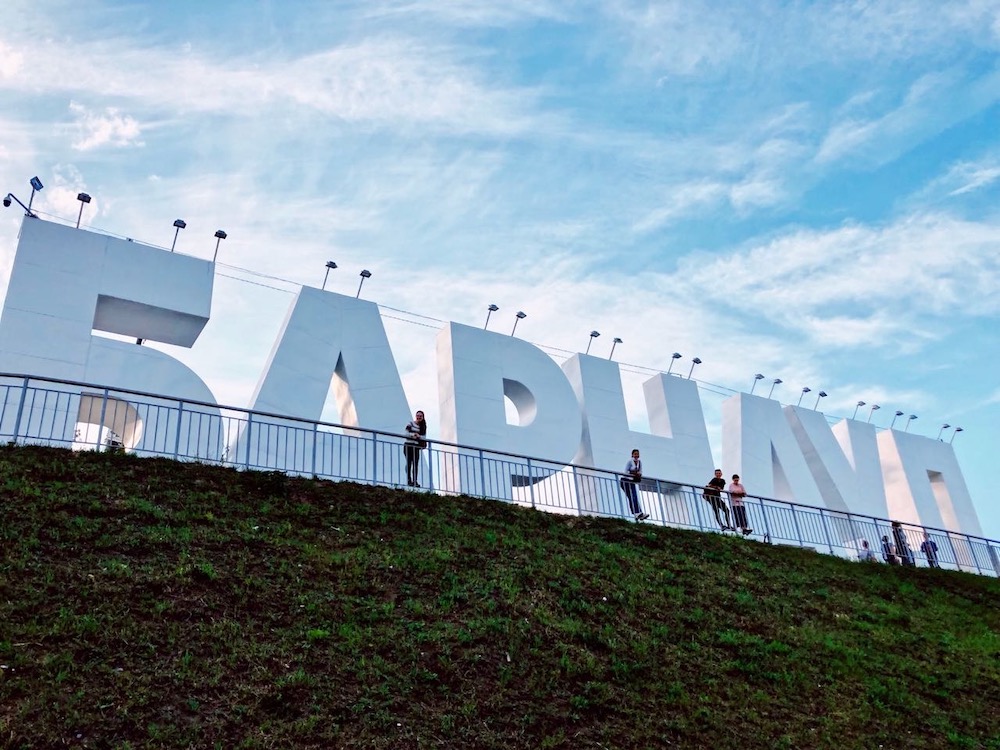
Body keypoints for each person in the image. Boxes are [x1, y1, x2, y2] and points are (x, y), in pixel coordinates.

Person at [620, 449, 649, 521]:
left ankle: (639, 513)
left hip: (632, 481)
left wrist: (638, 474)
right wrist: (633, 473)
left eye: (637, 454)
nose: (636, 455)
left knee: (634, 496)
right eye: (635, 454)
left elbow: (640, 471)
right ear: (632, 455)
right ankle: (636, 513)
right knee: (631, 496)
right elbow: (625, 472)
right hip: (625, 481)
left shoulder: (639, 462)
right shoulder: (630, 462)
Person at [403, 410, 427, 487]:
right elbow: (406, 433)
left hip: (416, 447)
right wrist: (413, 435)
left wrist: (419, 436)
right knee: (409, 463)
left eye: (420, 416)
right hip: (408, 445)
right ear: (416, 416)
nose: (419, 417)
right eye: (418, 415)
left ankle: (415, 481)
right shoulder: (410, 423)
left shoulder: (422, 427)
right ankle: (409, 480)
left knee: (415, 464)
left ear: (423, 417)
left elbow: (424, 437)